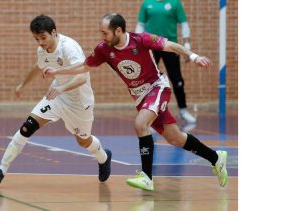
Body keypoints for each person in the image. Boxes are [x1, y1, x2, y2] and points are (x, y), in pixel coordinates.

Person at [42, 13, 228, 191]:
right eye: (101, 33)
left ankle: (147, 177)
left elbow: (171, 46)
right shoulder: (103, 49)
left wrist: (194, 57)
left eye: (105, 32)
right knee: (175, 138)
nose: (102, 36)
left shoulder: (141, 39)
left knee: (140, 124)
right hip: (140, 97)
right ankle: (216, 158)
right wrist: (57, 72)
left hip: (157, 88)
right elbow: (85, 66)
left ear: (119, 31)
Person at [0, 15, 112, 184]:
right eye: (36, 39)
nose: (40, 42)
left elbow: (82, 78)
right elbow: (39, 66)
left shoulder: (69, 48)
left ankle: (103, 157)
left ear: (54, 32)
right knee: (27, 127)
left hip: (79, 102)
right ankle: (1, 170)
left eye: (43, 38)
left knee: (83, 140)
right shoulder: (42, 50)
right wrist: (22, 85)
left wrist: (60, 89)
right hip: (56, 97)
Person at [136, 0, 196, 123]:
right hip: (151, 47)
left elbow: (184, 24)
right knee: (148, 80)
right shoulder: (147, 3)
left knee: (177, 79)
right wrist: (137, 46)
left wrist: (187, 44)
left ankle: (183, 110)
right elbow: (140, 25)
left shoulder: (175, 3)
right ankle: (148, 113)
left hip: (170, 46)